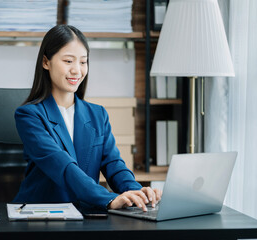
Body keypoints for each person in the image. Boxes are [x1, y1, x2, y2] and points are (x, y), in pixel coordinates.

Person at [13, 24, 162, 210]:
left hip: (86, 214)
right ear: (46, 62)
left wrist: (137, 193)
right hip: (41, 214)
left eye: (83, 62)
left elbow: (113, 164)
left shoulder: (98, 114)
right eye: (68, 61)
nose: (77, 70)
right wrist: (108, 199)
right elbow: (62, 165)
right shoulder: (29, 115)